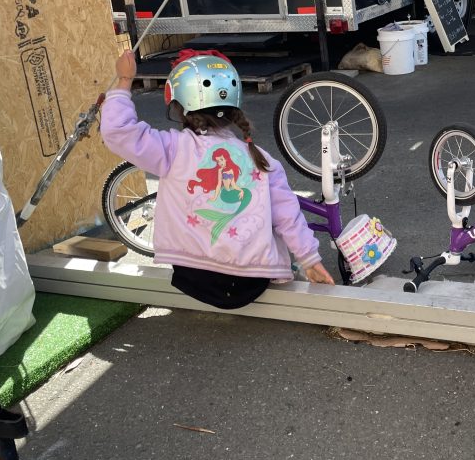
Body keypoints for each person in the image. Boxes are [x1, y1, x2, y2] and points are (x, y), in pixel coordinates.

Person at [101, 49, 334, 309]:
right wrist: (310, 261)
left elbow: (118, 131)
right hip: (250, 285)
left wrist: (124, 80)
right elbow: (287, 216)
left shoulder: (172, 148)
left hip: (194, 278)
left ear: (177, 105)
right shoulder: (263, 159)